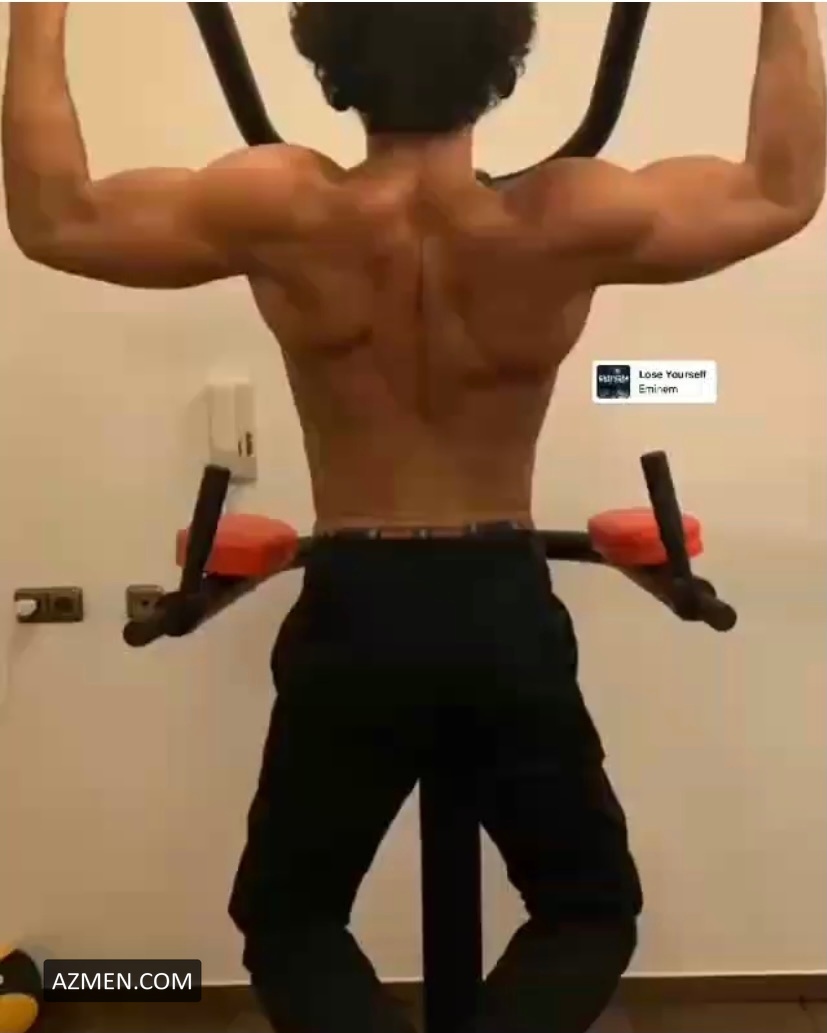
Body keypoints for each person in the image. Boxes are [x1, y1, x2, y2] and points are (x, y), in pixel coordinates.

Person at [3, 4, 824, 1032]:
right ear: (503, 65)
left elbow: (58, 218)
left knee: (292, 920)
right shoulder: (566, 212)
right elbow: (778, 190)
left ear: (329, 64)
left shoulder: (280, 205)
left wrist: (38, 12)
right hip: (500, 605)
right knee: (584, 912)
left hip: (358, 606)